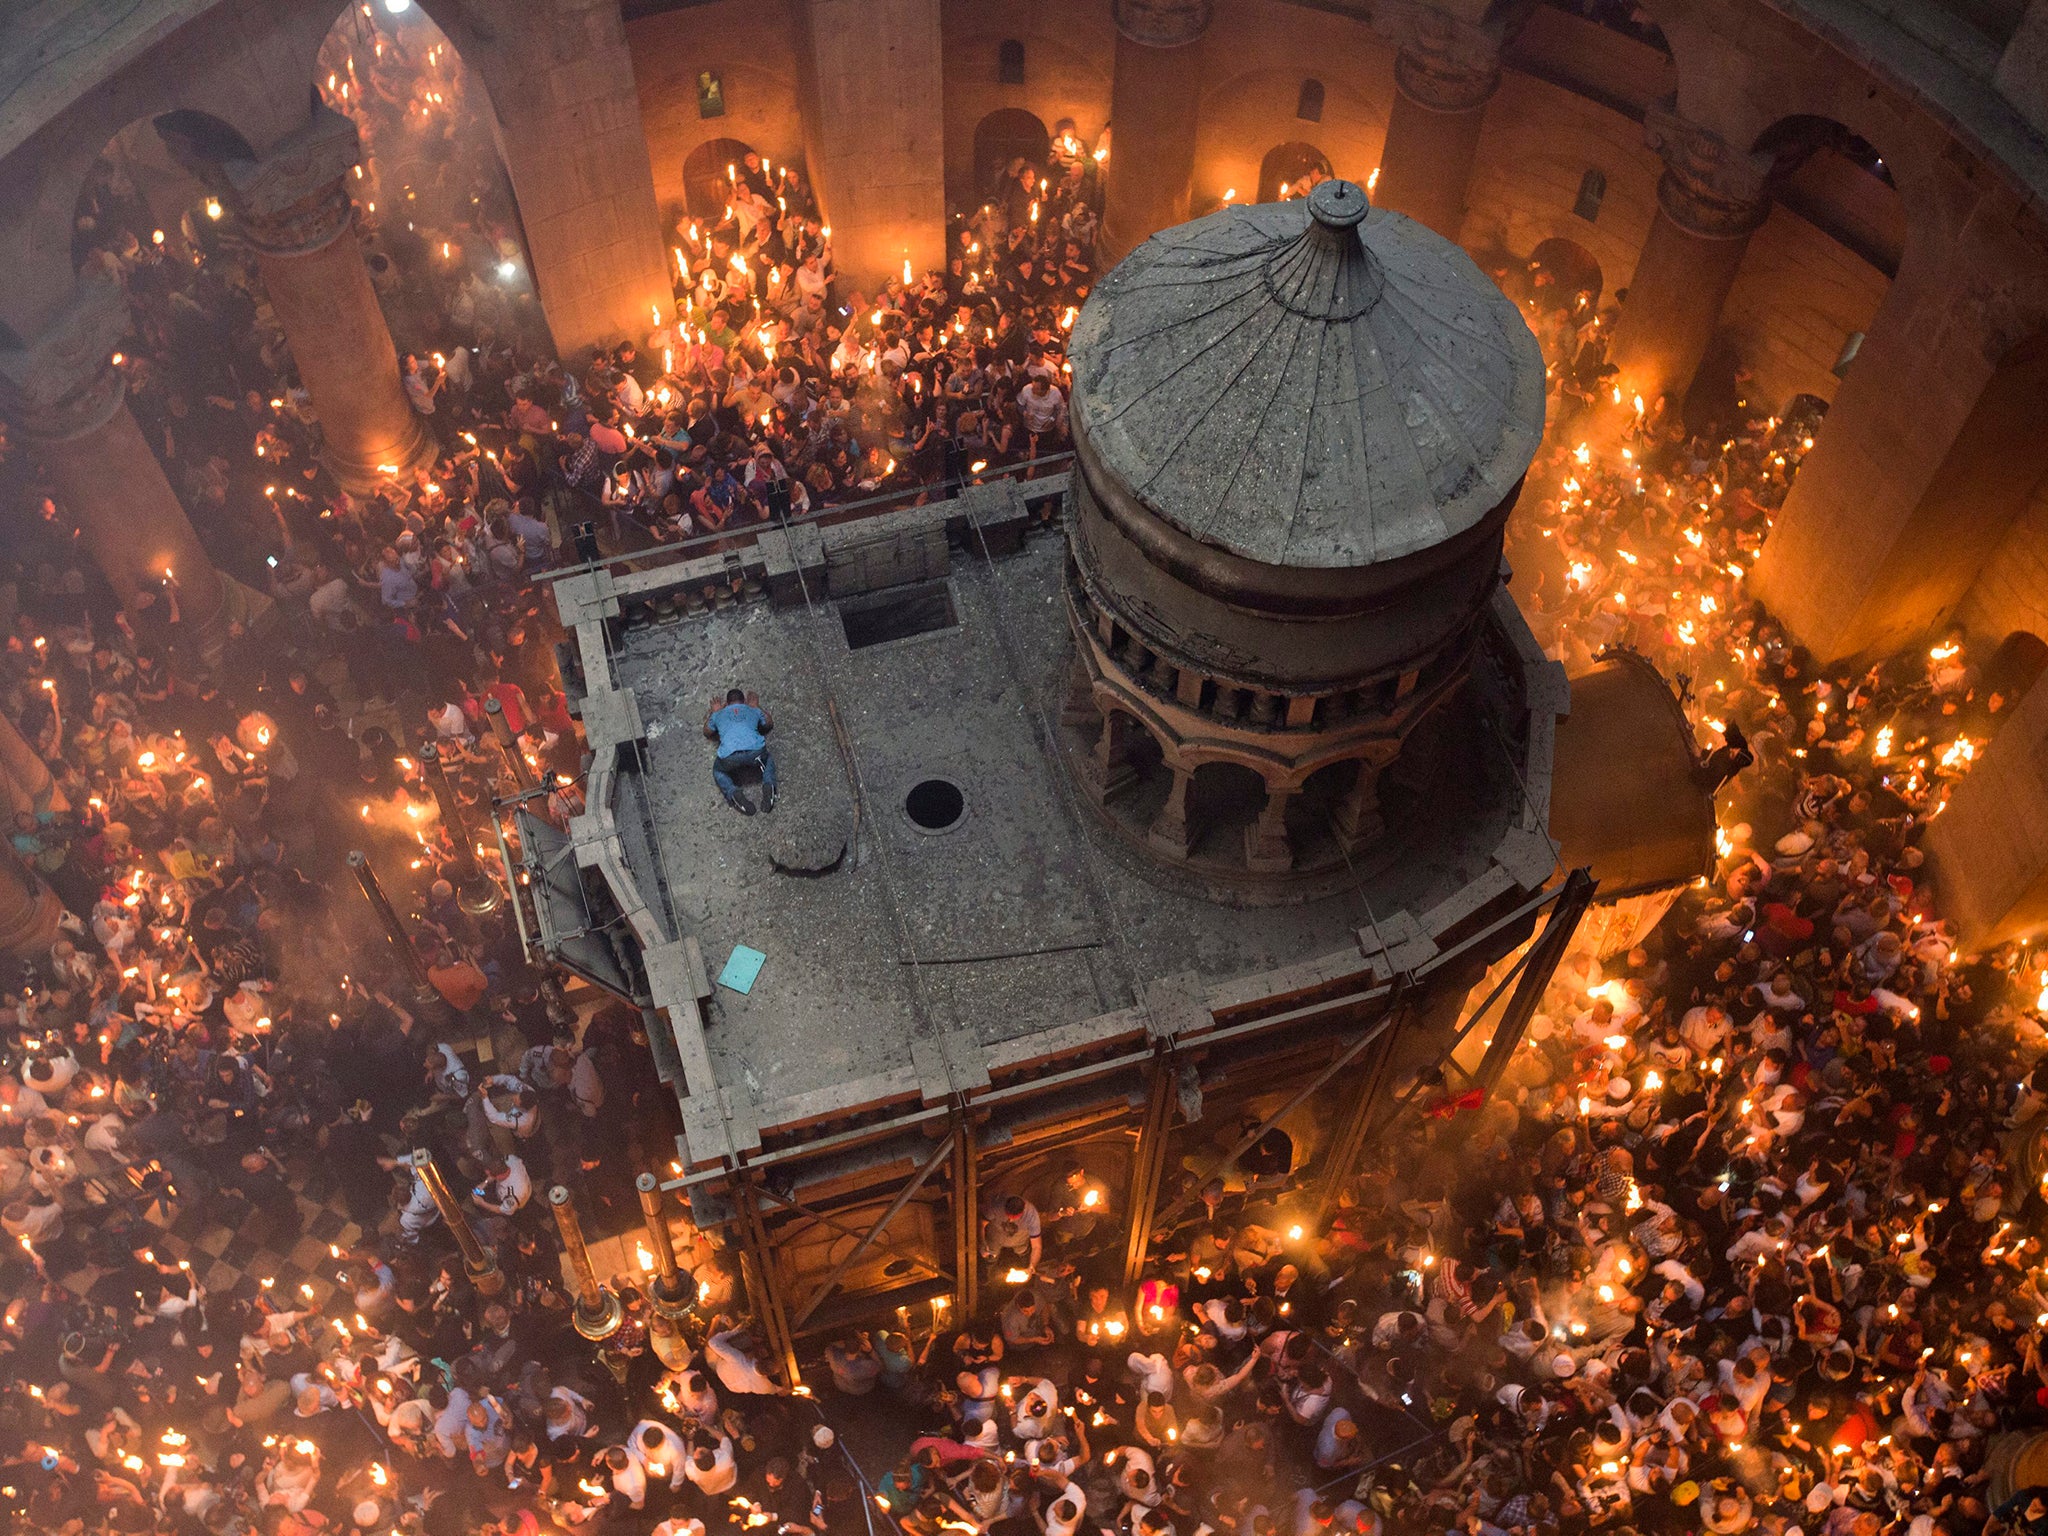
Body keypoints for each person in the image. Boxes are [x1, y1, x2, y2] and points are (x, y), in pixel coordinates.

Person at [704, 686, 777, 815]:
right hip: (756, 754)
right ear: (744, 701)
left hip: (730, 758)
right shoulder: (751, 709)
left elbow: (707, 732)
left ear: (726, 704)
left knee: (718, 771)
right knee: (768, 760)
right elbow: (769, 723)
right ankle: (769, 785)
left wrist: (714, 712)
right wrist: (756, 706)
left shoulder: (719, 714)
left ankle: (733, 793)